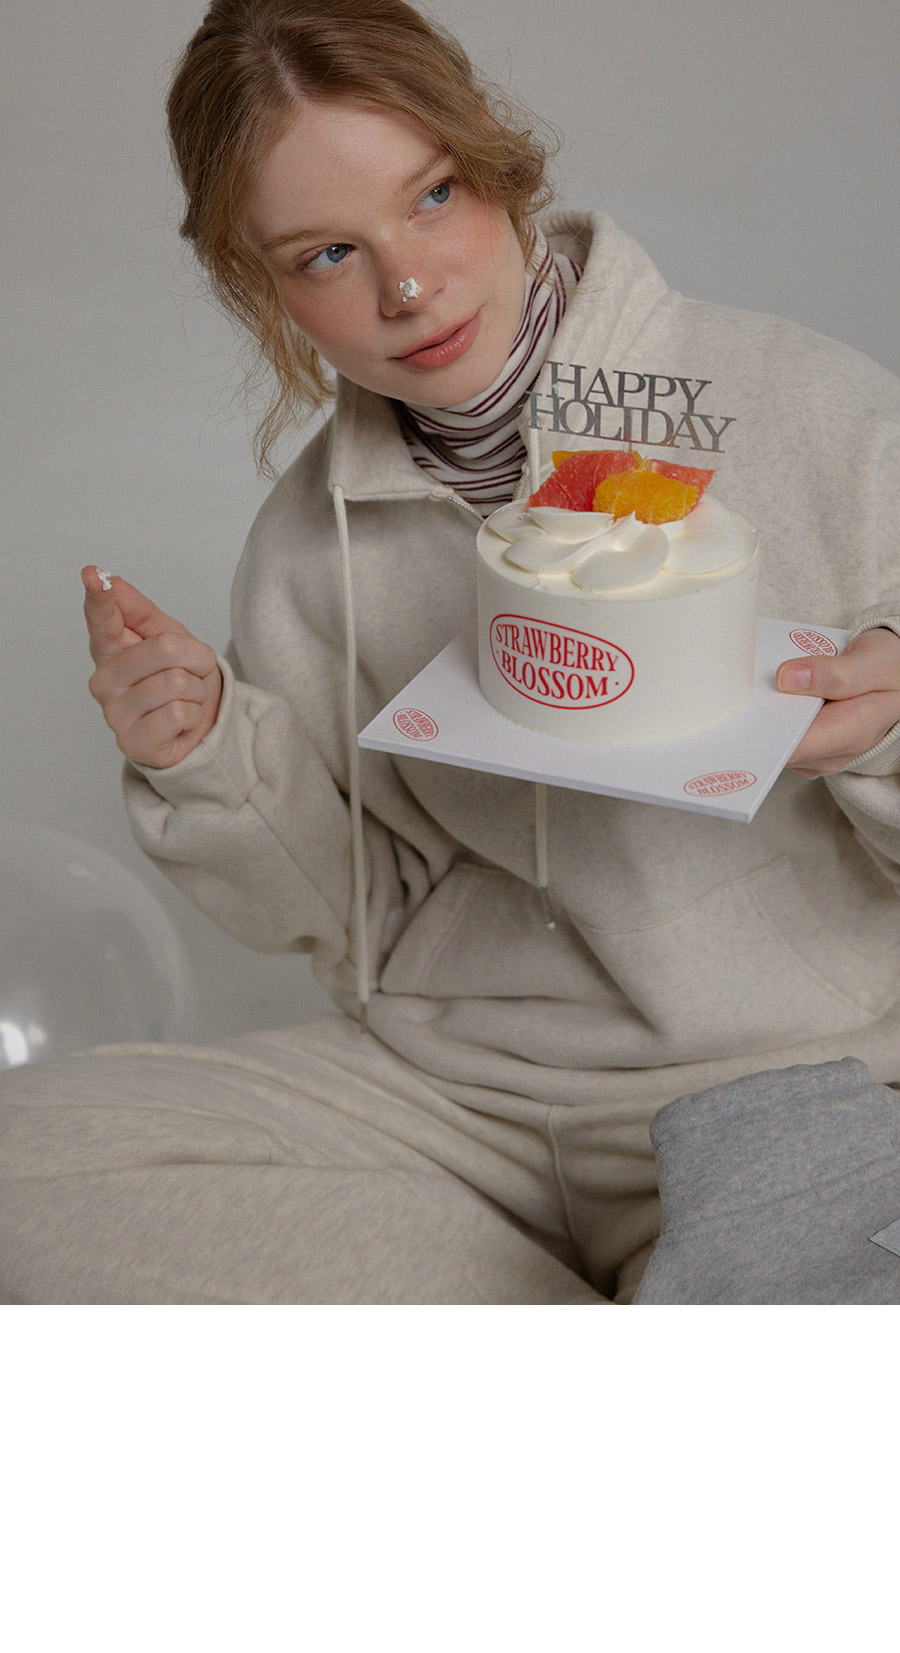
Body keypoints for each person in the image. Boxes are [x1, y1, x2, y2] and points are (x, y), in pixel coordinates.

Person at [2, 0, 900, 1304]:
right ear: (259, 280)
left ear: (493, 153)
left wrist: (885, 732)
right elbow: (344, 914)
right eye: (327, 253)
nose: (407, 287)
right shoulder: (306, 545)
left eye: (432, 197)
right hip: (452, 1099)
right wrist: (209, 758)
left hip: (789, 1077)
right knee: (27, 1168)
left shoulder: (818, 411)